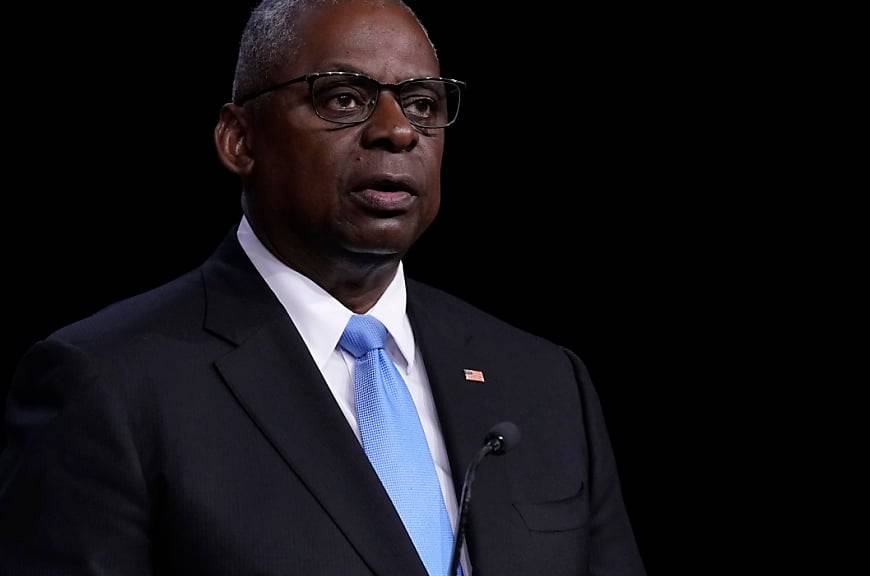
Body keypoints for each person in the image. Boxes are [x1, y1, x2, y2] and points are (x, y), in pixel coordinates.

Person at [0, 1, 645, 574]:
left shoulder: (545, 383)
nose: (398, 131)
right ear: (239, 139)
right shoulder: (109, 385)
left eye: (422, 105)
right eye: (343, 99)